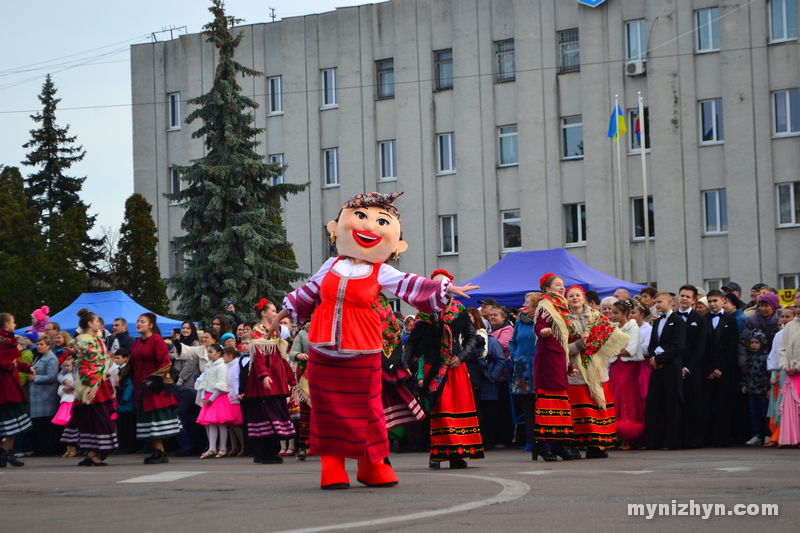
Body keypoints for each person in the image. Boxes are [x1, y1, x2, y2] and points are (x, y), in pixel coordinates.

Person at [274, 192, 478, 489]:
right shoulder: (330, 266)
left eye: (381, 222)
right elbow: (305, 293)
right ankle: (332, 468)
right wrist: (279, 317)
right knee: (327, 410)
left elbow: (412, 285)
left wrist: (446, 289)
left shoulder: (381, 271)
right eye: (361, 217)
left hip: (364, 349)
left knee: (368, 409)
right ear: (338, 227)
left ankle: (370, 466)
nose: (369, 227)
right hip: (322, 347)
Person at [405, 269, 484, 469]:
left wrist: (461, 356)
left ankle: (458, 454)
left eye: (444, 284)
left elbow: (472, 337)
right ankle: (438, 453)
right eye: (436, 285)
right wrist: (405, 366)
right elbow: (413, 342)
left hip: (454, 366)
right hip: (433, 367)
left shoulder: (458, 310)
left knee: (457, 408)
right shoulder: (424, 311)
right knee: (439, 408)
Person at [564, 286, 629, 459]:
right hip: (575, 369)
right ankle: (575, 445)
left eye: (578, 295)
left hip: (597, 368)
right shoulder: (562, 318)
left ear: (584, 298)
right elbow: (560, 347)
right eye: (571, 296)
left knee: (597, 408)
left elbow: (612, 336)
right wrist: (579, 344)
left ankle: (597, 445)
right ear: (566, 299)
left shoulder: (596, 316)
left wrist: (596, 347)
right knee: (579, 410)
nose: (575, 298)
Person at [60, 308, 118, 465]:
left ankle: (92, 453)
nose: (100, 323)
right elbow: (96, 363)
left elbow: (99, 360)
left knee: (95, 417)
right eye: (97, 321)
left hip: (97, 381)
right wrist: (94, 385)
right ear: (90, 323)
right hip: (91, 382)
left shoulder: (92, 337)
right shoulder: (85, 341)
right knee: (97, 417)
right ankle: (93, 453)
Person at [531, 273, 576, 462]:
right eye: (558, 284)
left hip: (558, 360)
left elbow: (563, 342)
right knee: (548, 402)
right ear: (548, 289)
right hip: (548, 359)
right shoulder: (545, 305)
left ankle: (558, 445)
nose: (562, 287)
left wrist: (569, 366)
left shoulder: (562, 307)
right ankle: (541, 445)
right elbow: (538, 325)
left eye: (563, 284)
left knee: (560, 403)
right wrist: (542, 331)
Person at [242, 320, 296, 465]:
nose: (275, 313)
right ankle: (263, 453)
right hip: (263, 385)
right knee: (265, 416)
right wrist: (264, 375)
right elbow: (259, 359)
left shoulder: (274, 334)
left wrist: (291, 380)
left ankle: (271, 451)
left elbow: (282, 359)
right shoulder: (257, 333)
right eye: (272, 311)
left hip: (276, 382)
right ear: (264, 313)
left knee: (275, 416)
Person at [130, 312, 181, 464]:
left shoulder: (157, 340)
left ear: (151, 325)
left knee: (155, 421)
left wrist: (153, 378)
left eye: (142, 321)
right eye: (138, 321)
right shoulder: (137, 342)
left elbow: (165, 363)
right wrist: (121, 376)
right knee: (148, 421)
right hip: (141, 388)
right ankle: (157, 450)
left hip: (155, 389)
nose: (138, 323)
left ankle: (160, 451)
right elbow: (131, 363)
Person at [642, 292, 686, 450]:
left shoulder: (678, 321)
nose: (657, 305)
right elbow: (652, 344)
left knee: (672, 404)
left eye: (659, 302)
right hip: (657, 366)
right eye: (655, 302)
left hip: (671, 366)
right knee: (653, 402)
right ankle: (651, 441)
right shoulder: (658, 321)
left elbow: (678, 345)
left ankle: (671, 441)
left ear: (669, 302)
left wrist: (661, 359)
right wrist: (654, 358)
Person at [702, 289, 740, 448]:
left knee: (723, 405)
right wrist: (708, 369)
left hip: (724, 370)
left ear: (722, 301)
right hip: (707, 370)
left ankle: (722, 438)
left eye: (715, 301)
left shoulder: (730, 320)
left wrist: (720, 368)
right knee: (708, 404)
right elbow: (701, 346)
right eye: (709, 301)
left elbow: (732, 346)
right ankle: (708, 437)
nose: (712, 304)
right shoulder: (703, 319)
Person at [675, 285, 708, 449]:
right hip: (674, 367)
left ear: (694, 300)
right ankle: (678, 438)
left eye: (688, 296)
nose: (684, 299)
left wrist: (687, 368)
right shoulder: (673, 317)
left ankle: (695, 438)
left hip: (692, 369)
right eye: (682, 295)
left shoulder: (700, 319)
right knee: (676, 404)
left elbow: (700, 347)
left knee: (694, 403)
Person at [608, 300, 644, 450]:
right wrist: (617, 349)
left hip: (628, 367)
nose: (613, 315)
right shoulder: (613, 328)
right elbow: (607, 346)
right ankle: (617, 435)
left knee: (627, 398)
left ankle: (629, 435)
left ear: (626, 314)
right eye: (612, 312)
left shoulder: (633, 327)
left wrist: (615, 350)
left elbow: (632, 349)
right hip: (615, 366)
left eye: (616, 313)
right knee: (615, 397)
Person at [0, 313, 34, 467]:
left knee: (13, 420)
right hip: (3, 386)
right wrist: (9, 365)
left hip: (11, 385)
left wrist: (26, 367)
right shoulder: (2, 341)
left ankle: (8, 453)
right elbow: (7, 362)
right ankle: (4, 453)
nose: (15, 324)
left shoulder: (10, 341)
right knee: (6, 419)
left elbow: (15, 360)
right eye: (13, 322)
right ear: (6, 324)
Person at [509, 293, 539, 451]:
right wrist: (514, 356)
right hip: (522, 368)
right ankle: (530, 440)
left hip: (538, 367)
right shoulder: (520, 322)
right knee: (526, 406)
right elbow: (512, 341)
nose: (524, 304)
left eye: (527, 302)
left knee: (541, 405)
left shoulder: (543, 320)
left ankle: (544, 439)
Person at [765, 306, 797, 446]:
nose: (784, 319)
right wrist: (774, 372)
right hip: (783, 371)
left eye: (787, 316)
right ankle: (779, 436)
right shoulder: (780, 334)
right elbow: (775, 355)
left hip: (794, 370)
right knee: (779, 406)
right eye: (782, 316)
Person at [196, 343, 235, 458]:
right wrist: (203, 396)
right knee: (211, 422)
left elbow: (221, 384)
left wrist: (211, 399)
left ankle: (222, 448)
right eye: (208, 352)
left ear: (218, 353)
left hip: (217, 397)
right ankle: (212, 447)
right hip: (208, 397)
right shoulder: (208, 365)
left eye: (211, 352)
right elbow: (203, 382)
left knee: (220, 422)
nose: (208, 354)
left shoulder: (221, 366)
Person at [28, 335, 60, 456]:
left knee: (47, 425)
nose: (39, 346)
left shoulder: (51, 359)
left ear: (48, 345)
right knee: (40, 425)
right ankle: (41, 448)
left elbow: (51, 376)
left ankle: (50, 448)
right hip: (38, 398)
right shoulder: (38, 358)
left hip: (46, 397)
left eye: (41, 344)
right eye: (37, 344)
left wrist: (35, 378)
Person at [488, 305, 514, 448]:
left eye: (495, 315)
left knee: (503, 409)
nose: (492, 317)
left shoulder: (507, 329)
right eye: (491, 315)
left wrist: (487, 344)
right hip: (496, 375)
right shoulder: (493, 330)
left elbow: (502, 344)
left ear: (504, 317)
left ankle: (505, 438)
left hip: (504, 375)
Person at [741, 330, 771, 446]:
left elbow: (769, 374)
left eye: (756, 343)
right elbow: (747, 372)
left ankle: (767, 434)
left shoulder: (766, 357)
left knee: (765, 413)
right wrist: (744, 384)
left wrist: (769, 388)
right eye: (752, 343)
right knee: (754, 413)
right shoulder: (750, 356)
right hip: (752, 389)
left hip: (763, 390)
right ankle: (756, 435)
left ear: (762, 343)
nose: (753, 345)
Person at [777, 306, 800, 446]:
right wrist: (785, 365)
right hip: (791, 372)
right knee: (792, 409)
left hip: (797, 369)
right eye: (796, 306)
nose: (798, 309)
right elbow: (782, 348)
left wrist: (798, 367)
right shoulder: (790, 326)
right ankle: (794, 437)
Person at [113, 348, 137, 454]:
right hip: (123, 403)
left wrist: (123, 399)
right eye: (115, 358)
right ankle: (124, 446)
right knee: (123, 426)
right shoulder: (121, 370)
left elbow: (129, 386)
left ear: (126, 359)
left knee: (127, 427)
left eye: (118, 358)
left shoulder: (126, 371)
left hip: (126, 403)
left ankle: (128, 447)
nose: (116, 360)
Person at [222, 345, 244, 456]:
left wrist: (235, 393)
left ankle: (243, 446)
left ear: (230, 356)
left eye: (223, 356)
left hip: (234, 398)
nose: (222, 359)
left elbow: (235, 380)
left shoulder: (236, 364)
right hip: (228, 398)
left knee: (235, 424)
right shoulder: (227, 365)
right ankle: (234, 447)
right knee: (230, 425)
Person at [52, 358, 76, 457]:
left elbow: (77, 388)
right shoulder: (64, 377)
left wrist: (72, 390)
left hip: (72, 402)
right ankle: (68, 448)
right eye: (65, 366)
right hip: (65, 402)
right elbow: (60, 391)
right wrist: (64, 389)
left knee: (72, 426)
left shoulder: (75, 377)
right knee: (66, 427)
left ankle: (73, 448)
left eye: (68, 365)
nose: (66, 368)